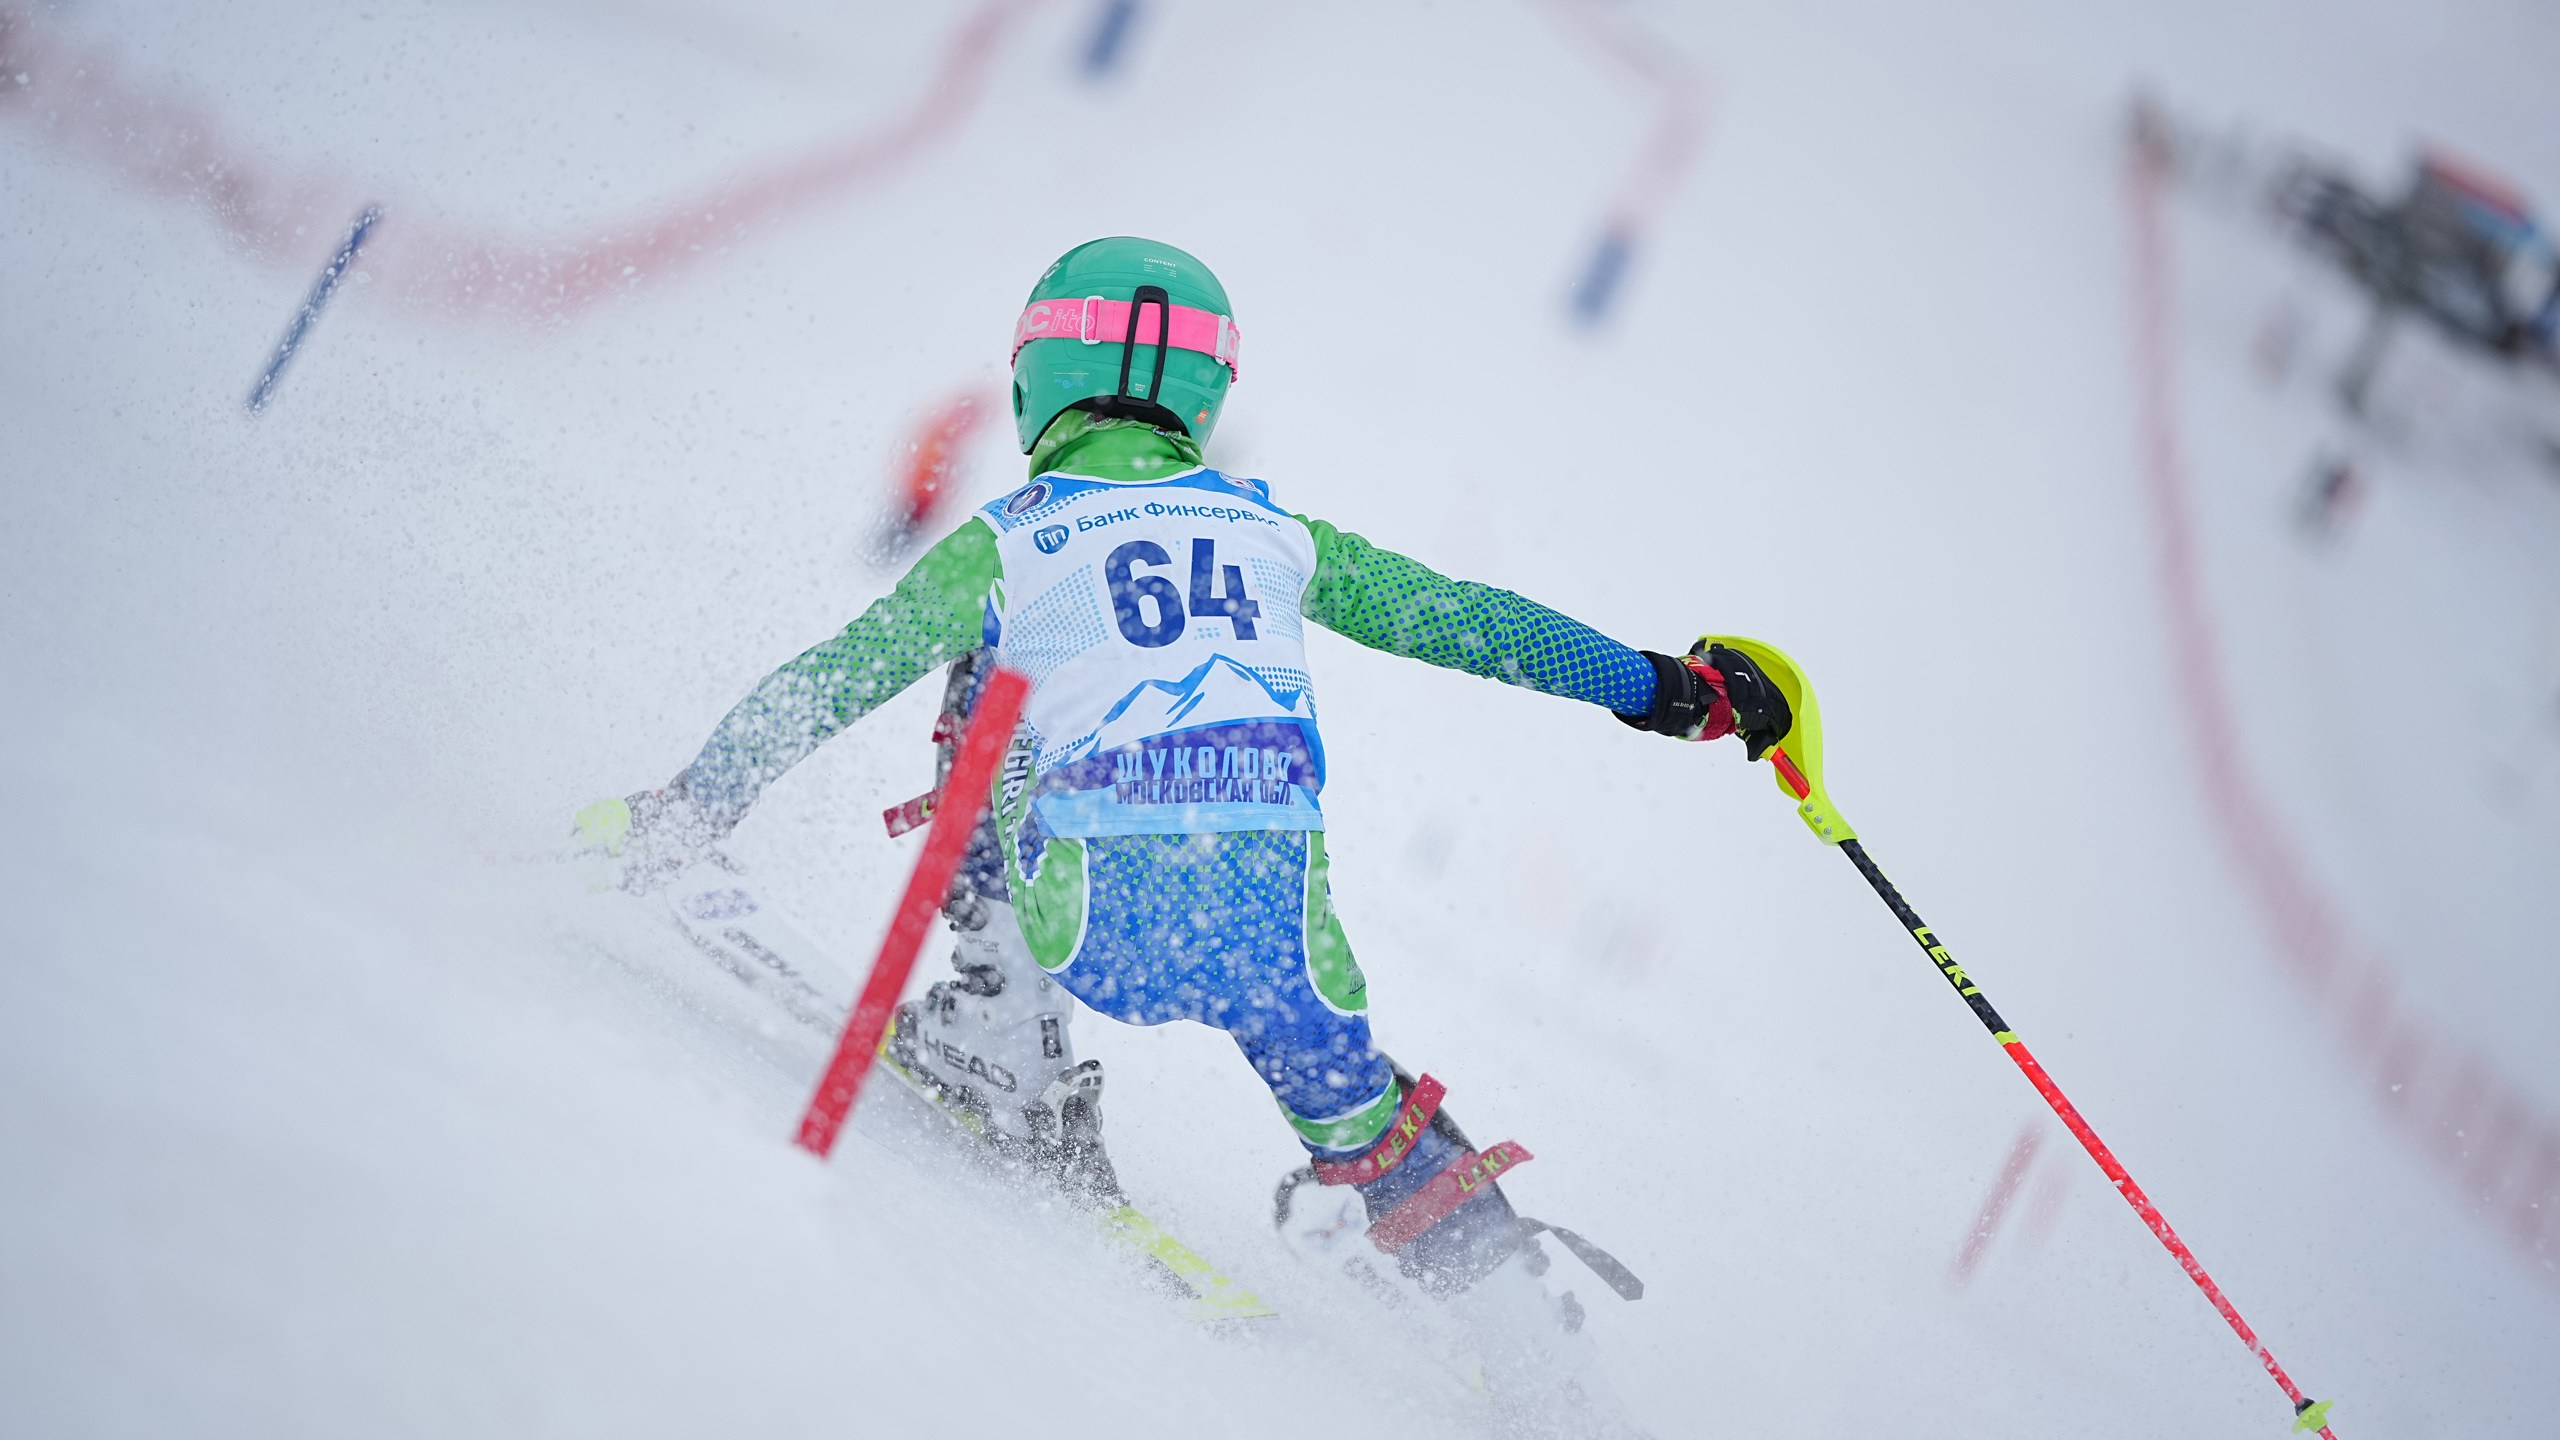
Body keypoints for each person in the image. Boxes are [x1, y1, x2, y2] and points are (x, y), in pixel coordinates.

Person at [577, 236, 1788, 1405]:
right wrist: (1665, 689)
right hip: (1275, 947)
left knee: (990, 686)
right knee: (1361, 1108)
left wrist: (693, 805)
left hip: (1092, 916)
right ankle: (1533, 1346)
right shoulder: (1281, 536)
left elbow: (831, 679)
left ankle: (1005, 1033)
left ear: (1036, 378)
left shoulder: (1008, 544)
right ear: (1206, 390)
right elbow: (1470, 620)